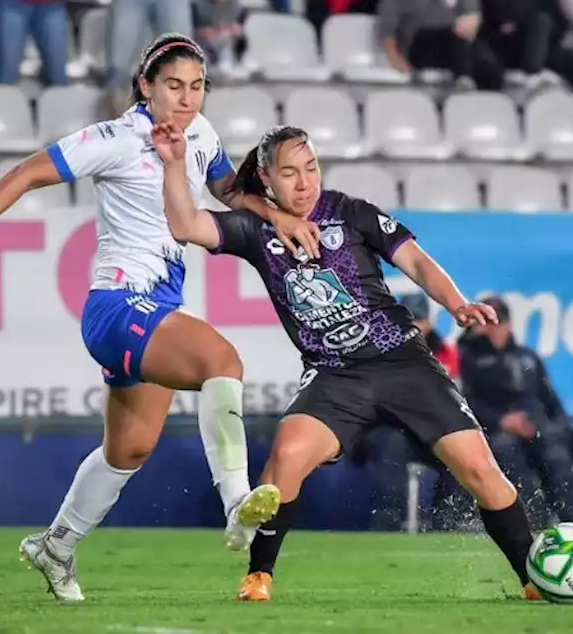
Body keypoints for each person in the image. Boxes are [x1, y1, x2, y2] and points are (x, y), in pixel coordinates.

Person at [0, 34, 324, 602]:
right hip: (116, 305)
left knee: (129, 448)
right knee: (221, 360)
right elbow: (26, 173)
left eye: (197, 87)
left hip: (155, 309)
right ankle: (236, 501)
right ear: (145, 87)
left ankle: (55, 546)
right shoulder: (114, 138)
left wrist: (273, 214)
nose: (187, 99)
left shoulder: (201, 133)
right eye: (175, 86)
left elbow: (228, 189)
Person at [158, 125, 543, 604]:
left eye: (312, 168)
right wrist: (174, 164)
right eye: (291, 173)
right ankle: (259, 576)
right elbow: (184, 225)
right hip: (335, 374)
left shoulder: (350, 212)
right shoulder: (256, 230)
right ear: (266, 178)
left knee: (480, 468)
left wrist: (456, 304)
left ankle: (533, 577)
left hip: (404, 363)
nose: (305, 183)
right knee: (288, 456)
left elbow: (416, 262)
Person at [458, 295, 573, 526]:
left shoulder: (528, 357)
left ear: (509, 324)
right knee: (508, 451)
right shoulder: (468, 357)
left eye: (497, 322)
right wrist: (501, 421)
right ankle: (534, 522)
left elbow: (551, 401)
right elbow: (466, 401)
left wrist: (553, 429)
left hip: (535, 428)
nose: (493, 329)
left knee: (557, 458)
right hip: (493, 431)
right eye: (485, 323)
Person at [192, 0, 245, 69]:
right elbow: (193, 29)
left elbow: (239, 25)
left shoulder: (235, 3)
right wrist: (207, 32)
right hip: (202, 43)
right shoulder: (198, 2)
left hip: (224, 41)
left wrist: (233, 29)